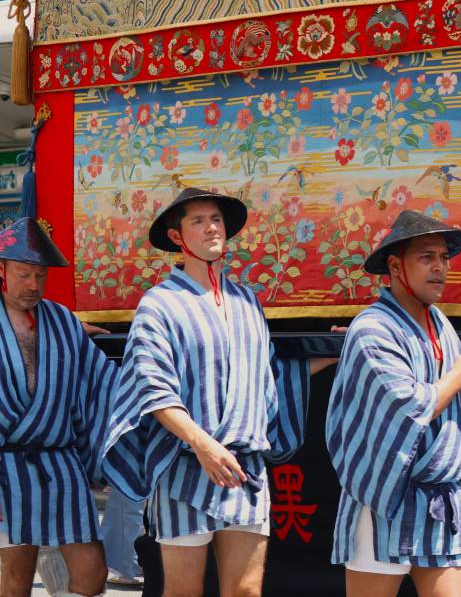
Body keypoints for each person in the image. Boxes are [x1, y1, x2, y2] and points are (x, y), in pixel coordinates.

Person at [103, 188, 333, 597]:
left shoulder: (247, 301)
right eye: (198, 220)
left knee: (245, 591)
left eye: (216, 219)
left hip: (244, 468)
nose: (211, 227)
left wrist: (337, 352)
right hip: (186, 466)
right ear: (177, 237)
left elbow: (270, 376)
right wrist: (204, 445)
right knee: (184, 591)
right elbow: (152, 388)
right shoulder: (159, 304)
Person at [326, 209, 461, 597]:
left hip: (441, 496)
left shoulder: (441, 325)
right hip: (382, 495)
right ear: (395, 266)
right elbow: (408, 406)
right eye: (426, 257)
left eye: (444, 258)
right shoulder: (372, 328)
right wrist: (459, 378)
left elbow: (460, 381)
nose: (440, 268)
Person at [0, 217, 120, 597]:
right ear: (1, 270)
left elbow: (104, 380)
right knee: (14, 576)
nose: (33, 285)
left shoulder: (62, 322)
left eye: (39, 275)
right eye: (23, 274)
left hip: (60, 463)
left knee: (92, 569)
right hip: (5, 467)